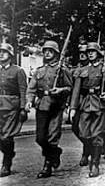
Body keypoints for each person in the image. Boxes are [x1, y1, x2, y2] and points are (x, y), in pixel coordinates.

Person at [25, 40, 72, 178]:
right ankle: (55, 153)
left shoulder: (63, 70)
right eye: (45, 51)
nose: (47, 53)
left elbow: (70, 88)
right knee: (40, 138)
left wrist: (60, 90)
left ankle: (47, 166)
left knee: (52, 137)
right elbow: (31, 88)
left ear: (56, 54)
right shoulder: (39, 70)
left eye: (50, 51)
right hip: (42, 105)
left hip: (56, 106)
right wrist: (29, 101)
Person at [70, 42, 105, 178]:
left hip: (100, 105)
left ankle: (95, 164)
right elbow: (76, 91)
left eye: (93, 51)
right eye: (88, 51)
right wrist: (73, 108)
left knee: (97, 135)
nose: (90, 53)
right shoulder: (81, 70)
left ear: (98, 54)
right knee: (83, 133)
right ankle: (88, 151)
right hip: (85, 104)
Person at [0, 43, 28, 177]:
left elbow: (23, 90)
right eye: (0, 52)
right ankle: (9, 153)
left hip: (12, 107)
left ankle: (6, 164)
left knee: (6, 137)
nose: (1, 54)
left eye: (4, 52)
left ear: (10, 56)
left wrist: (23, 108)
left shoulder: (18, 71)